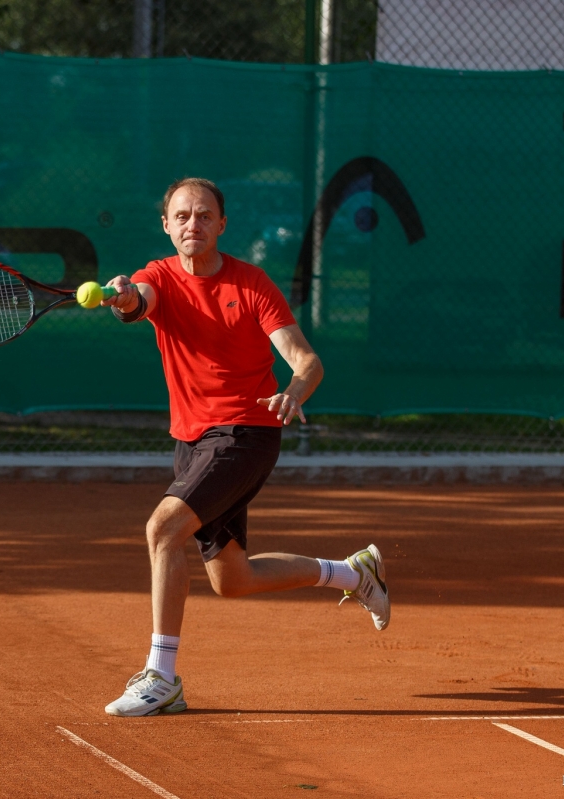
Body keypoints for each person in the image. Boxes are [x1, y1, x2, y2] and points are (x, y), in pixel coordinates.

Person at [98, 177, 390, 718]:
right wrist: (124, 296)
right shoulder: (157, 276)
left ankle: (161, 677)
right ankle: (354, 573)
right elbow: (137, 301)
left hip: (246, 433)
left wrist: (294, 391)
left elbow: (307, 362)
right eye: (182, 216)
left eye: (204, 215)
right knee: (233, 579)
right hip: (192, 441)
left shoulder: (251, 284)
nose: (193, 224)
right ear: (166, 226)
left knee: (163, 529)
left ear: (222, 224)